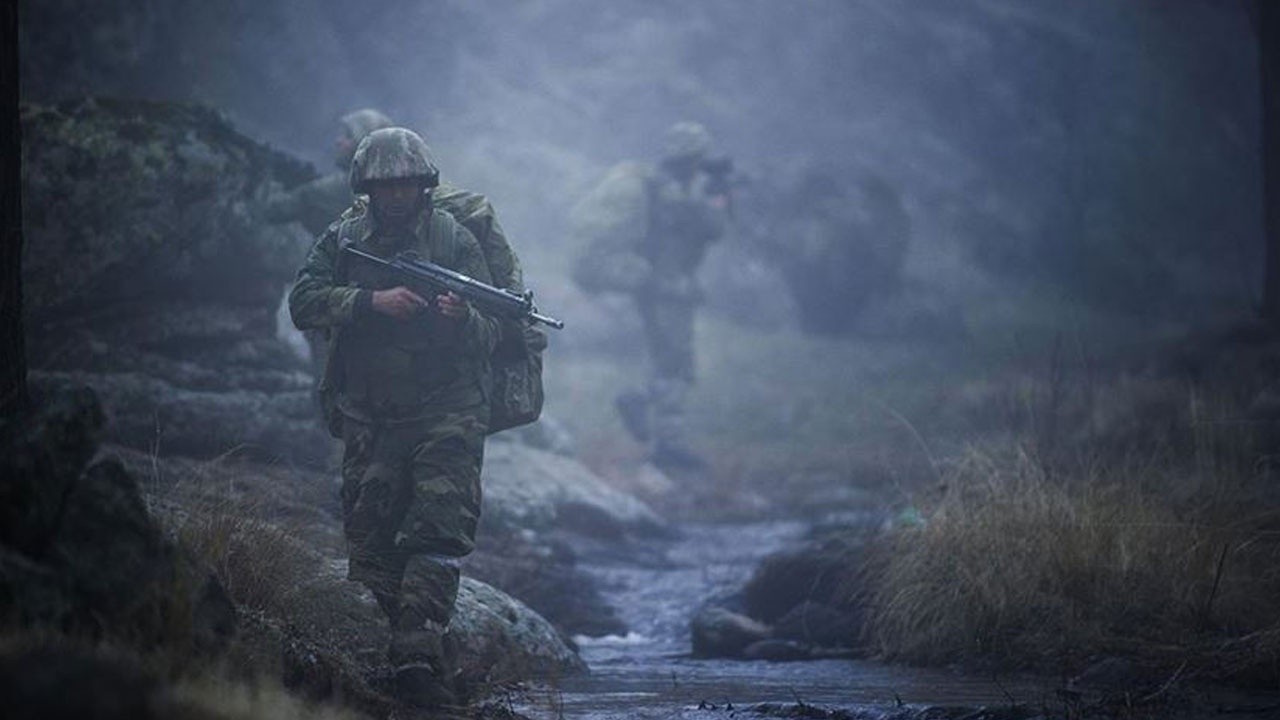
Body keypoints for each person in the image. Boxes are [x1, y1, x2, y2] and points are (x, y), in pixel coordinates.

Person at [287, 127, 496, 706]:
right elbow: (303, 301)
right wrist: (369, 303)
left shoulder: (454, 241)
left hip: (448, 410)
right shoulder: (344, 237)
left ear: (423, 184)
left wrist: (462, 317)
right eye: (386, 185)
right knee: (372, 542)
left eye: (407, 183)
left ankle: (417, 657)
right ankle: (396, 656)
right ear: (367, 187)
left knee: (437, 530)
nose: (398, 194)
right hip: (371, 414)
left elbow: (496, 331)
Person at [570, 121, 732, 473]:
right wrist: (720, 198)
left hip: (654, 286)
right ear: (692, 158)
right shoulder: (676, 193)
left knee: (668, 362)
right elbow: (713, 228)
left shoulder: (657, 186)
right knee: (675, 366)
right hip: (669, 289)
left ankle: (667, 441)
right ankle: (649, 413)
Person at [264, 108, 394, 237]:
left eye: (348, 136)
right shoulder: (387, 190)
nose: (338, 141)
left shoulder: (340, 188)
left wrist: (266, 177)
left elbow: (271, 210)